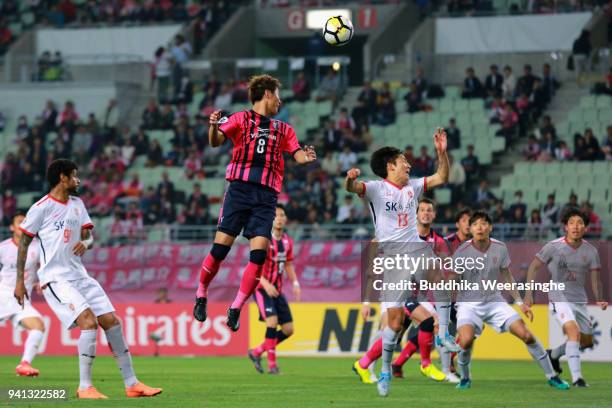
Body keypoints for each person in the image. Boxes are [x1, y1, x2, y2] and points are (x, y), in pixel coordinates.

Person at [14, 159, 162, 399]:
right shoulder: (41, 207)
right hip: (56, 278)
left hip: (79, 275)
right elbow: (24, 242)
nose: (78, 180)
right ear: (62, 178)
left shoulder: (77, 203)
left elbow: (89, 237)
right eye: (73, 175)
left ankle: (132, 384)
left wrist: (85, 243)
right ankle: (85, 387)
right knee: (88, 322)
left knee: (112, 322)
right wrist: (20, 281)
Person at [193, 75, 316, 331]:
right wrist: (214, 126)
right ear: (268, 94)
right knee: (220, 252)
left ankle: (236, 307)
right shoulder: (238, 119)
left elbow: (298, 155)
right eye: (278, 96)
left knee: (259, 255)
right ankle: (201, 292)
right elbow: (215, 142)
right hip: (239, 190)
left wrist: (306, 157)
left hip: (267, 197)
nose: (280, 102)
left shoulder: (285, 130)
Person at [345, 128, 449, 397]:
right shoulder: (377, 189)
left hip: (416, 251)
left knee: (446, 279)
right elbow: (354, 188)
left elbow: (442, 176)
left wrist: (442, 153)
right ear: (390, 166)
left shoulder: (413, 186)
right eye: (404, 161)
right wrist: (350, 179)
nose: (409, 165)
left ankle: (444, 333)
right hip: (393, 262)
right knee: (393, 325)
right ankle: (385, 370)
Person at [451, 211, 569, 390]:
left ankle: (552, 376)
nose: (480, 227)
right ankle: (465, 378)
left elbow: (506, 276)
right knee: (466, 341)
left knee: (526, 335)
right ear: (471, 229)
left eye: (483, 224)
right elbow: (452, 280)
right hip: (469, 304)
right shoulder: (462, 251)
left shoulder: (500, 247)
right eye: (475, 225)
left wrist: (520, 302)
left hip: (494, 302)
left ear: (490, 227)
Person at [525, 209, 607, 387]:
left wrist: (600, 297)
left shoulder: (590, 251)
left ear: (585, 227)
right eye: (572, 223)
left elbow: (595, 278)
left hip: (579, 299)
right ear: (565, 227)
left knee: (586, 342)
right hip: (558, 295)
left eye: (579, 223)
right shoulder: (553, 246)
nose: (575, 226)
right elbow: (533, 267)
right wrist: (529, 294)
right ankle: (578, 378)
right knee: (573, 331)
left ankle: (554, 354)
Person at [247, 205, 300, 375]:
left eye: (282, 215)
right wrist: (265, 283)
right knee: (272, 322)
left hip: (277, 290)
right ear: (271, 219)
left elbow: (289, 264)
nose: (279, 218)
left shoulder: (287, 241)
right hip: (261, 288)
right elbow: (252, 266)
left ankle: (257, 352)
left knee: (288, 329)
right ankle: (272, 366)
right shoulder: (263, 239)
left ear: (285, 219)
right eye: (276, 215)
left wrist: (295, 283)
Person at [0, 212, 45, 377]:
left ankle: (24, 364)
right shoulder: (3, 248)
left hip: (21, 300)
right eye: (19, 222)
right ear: (12, 227)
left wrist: (42, 280)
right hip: (3, 295)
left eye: (26, 222)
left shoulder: (37, 246)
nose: (23, 224)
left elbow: (45, 266)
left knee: (38, 326)